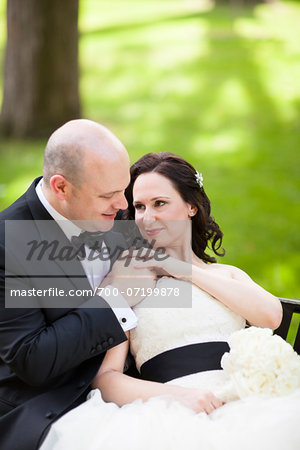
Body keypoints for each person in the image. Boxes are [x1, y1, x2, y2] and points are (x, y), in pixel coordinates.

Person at [40, 153, 300, 450]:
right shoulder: (126, 280)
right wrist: (178, 397)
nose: (147, 217)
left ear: (191, 206)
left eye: (159, 203)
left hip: (248, 401)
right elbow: (106, 378)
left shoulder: (224, 274)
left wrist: (183, 270)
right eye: (139, 206)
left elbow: (271, 316)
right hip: (169, 411)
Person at [0, 119, 153, 450]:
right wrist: (116, 299)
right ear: (61, 187)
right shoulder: (7, 244)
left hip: (138, 385)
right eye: (109, 195)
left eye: (123, 190)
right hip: (51, 406)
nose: (125, 205)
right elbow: (32, 359)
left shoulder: (117, 213)